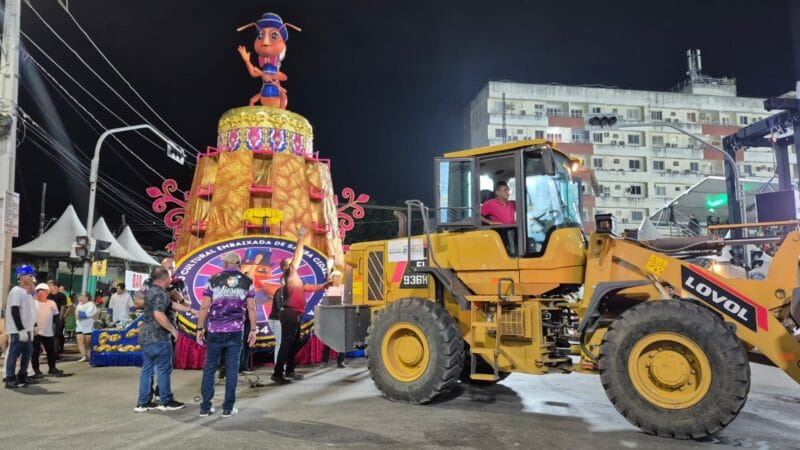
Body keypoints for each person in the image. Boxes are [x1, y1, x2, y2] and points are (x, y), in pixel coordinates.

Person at [196, 252, 258, 418]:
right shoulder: (247, 282)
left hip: (215, 330)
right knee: (232, 369)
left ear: (226, 264)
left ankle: (205, 407)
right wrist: (253, 330)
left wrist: (199, 328)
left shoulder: (213, 279)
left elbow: (204, 307)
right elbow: (251, 308)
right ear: (238, 264)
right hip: (236, 331)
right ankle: (228, 408)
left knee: (209, 368)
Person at [272, 226, 331, 384]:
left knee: (294, 343)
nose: (294, 263)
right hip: (290, 314)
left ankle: (290, 370)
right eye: (290, 263)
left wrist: (325, 285)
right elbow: (298, 256)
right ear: (287, 266)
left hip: (296, 314)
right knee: (286, 344)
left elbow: (309, 287)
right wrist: (300, 238)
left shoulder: (296, 279)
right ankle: (278, 374)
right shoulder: (290, 273)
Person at [135, 267, 185, 412]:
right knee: (164, 370)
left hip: (145, 335)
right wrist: (173, 330)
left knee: (147, 370)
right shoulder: (162, 293)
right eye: (169, 274)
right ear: (165, 278)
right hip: (159, 336)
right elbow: (159, 314)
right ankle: (165, 401)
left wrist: (189, 309)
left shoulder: (149, 292)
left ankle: (142, 403)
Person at [4, 265, 37, 389]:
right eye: (30, 275)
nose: (32, 277)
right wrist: (21, 329)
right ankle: (10, 379)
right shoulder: (16, 291)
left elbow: (29, 312)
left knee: (28, 353)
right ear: (22, 277)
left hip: (27, 329)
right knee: (14, 354)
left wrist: (33, 325)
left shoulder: (26, 292)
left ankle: (22, 376)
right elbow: (15, 311)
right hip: (18, 330)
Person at [32, 283, 63, 377]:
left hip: (48, 331)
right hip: (36, 331)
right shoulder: (33, 303)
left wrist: (58, 329)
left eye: (44, 292)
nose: (41, 294)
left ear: (47, 293)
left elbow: (56, 316)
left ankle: (52, 368)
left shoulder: (51, 303)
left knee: (51, 351)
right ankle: (36, 370)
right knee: (35, 352)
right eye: (39, 292)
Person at [321, 270, 345, 369]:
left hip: (340, 315)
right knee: (328, 339)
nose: (338, 279)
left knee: (341, 339)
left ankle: (340, 361)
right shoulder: (329, 289)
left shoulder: (344, 288)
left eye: (339, 277)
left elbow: (345, 301)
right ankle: (325, 361)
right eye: (336, 277)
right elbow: (325, 301)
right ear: (332, 279)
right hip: (330, 316)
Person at [74, 292, 97, 362]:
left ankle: (89, 354)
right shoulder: (79, 304)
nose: (81, 297)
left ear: (87, 297)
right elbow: (76, 315)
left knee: (87, 342)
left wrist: (78, 313)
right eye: (81, 295)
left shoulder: (91, 304)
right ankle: (84, 356)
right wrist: (77, 314)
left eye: (83, 296)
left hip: (88, 327)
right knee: (79, 340)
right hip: (79, 326)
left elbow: (87, 314)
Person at [47, 281, 67, 357]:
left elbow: (63, 308)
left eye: (50, 286)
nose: (49, 287)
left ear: (55, 287)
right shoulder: (48, 295)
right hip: (48, 318)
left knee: (56, 336)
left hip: (56, 318)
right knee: (49, 336)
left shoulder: (62, 296)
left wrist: (60, 318)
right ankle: (50, 352)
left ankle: (55, 353)